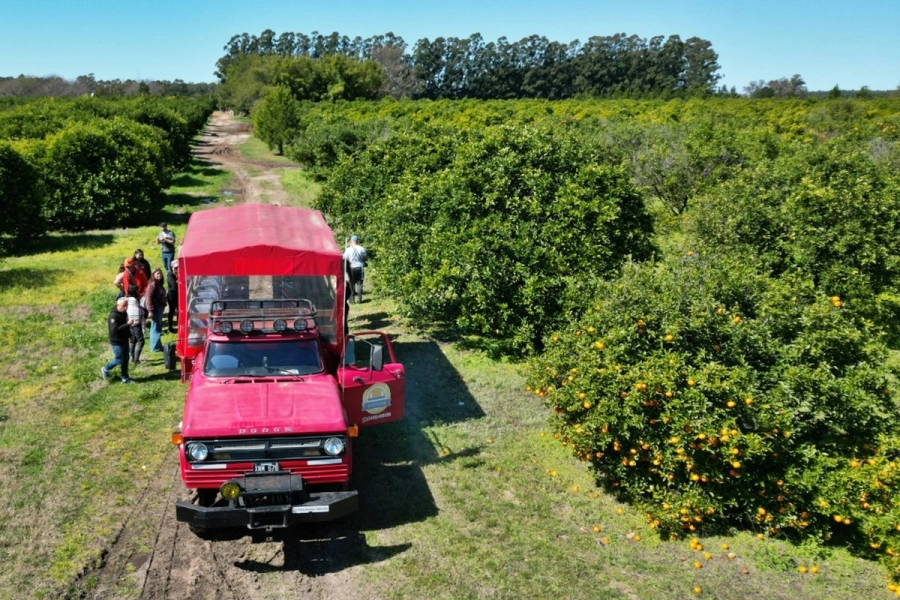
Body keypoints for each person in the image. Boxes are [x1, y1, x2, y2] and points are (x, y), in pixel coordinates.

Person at [101, 297, 136, 383]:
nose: (125, 308)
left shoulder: (124, 313)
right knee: (119, 360)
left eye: (126, 306)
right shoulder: (113, 316)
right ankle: (105, 368)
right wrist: (127, 324)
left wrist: (130, 336)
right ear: (118, 305)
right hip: (117, 341)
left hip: (124, 340)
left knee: (126, 359)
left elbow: (125, 328)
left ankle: (125, 378)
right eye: (123, 306)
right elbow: (115, 330)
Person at [145, 268, 167, 353]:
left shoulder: (158, 284)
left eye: (160, 274)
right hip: (156, 309)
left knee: (157, 327)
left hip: (159, 308)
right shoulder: (152, 285)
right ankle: (155, 347)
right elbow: (148, 298)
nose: (159, 275)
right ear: (153, 275)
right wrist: (150, 310)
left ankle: (157, 345)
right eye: (157, 274)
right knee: (155, 327)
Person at [343, 234, 367, 303]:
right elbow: (365, 258)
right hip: (359, 267)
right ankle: (359, 299)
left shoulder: (348, 249)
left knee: (351, 284)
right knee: (359, 284)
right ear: (357, 241)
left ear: (351, 241)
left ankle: (351, 300)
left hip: (351, 268)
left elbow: (344, 258)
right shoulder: (361, 248)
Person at [125, 285, 146, 366]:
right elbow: (137, 312)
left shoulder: (128, 300)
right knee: (141, 341)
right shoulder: (133, 301)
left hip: (129, 324)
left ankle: (132, 357)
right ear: (135, 292)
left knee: (133, 340)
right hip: (135, 324)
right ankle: (136, 360)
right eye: (137, 290)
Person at [166, 262, 179, 333]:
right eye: (175, 268)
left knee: (179, 311)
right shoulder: (170, 275)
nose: (177, 269)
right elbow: (173, 286)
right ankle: (170, 326)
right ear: (172, 268)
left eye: (178, 267)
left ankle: (179, 325)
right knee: (172, 311)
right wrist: (178, 282)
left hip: (178, 295)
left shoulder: (179, 274)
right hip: (172, 297)